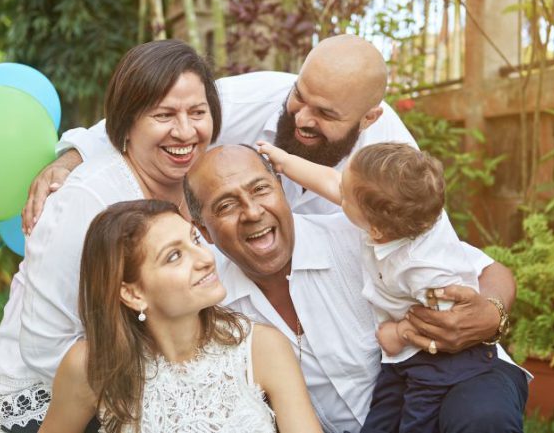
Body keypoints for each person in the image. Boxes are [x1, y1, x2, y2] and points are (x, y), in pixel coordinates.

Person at [22, 34, 515, 358]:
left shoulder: (389, 157)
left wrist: (492, 310)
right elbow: (151, 114)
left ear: (367, 119)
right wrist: (72, 158)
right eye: (300, 96)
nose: (300, 117)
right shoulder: (261, 95)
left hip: (356, 329)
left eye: (324, 114)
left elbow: (449, 256)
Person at [182, 144, 529, 433]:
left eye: (261, 189)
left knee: (482, 417)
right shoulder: (210, 299)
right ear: (205, 231)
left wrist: (490, 310)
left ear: (281, 190)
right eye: (226, 205)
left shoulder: (361, 231)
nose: (252, 211)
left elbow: (491, 270)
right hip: (389, 405)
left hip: (459, 377)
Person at [0, 40, 221, 432]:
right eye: (164, 115)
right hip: (56, 394)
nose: (185, 131)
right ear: (125, 124)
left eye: (198, 112)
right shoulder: (86, 200)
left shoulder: (197, 183)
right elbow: (45, 349)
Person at [257, 140, 500, 432]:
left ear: (375, 230)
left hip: (440, 359)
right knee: (382, 417)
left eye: (344, 197)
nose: (338, 193)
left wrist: (399, 333)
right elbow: (331, 182)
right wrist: (284, 160)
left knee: (418, 421)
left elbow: (448, 322)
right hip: (401, 358)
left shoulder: (424, 267)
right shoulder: (394, 215)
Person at [39, 199, 321, 433]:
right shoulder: (90, 365)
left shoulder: (262, 348)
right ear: (133, 294)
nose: (205, 259)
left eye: (195, 240)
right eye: (174, 256)